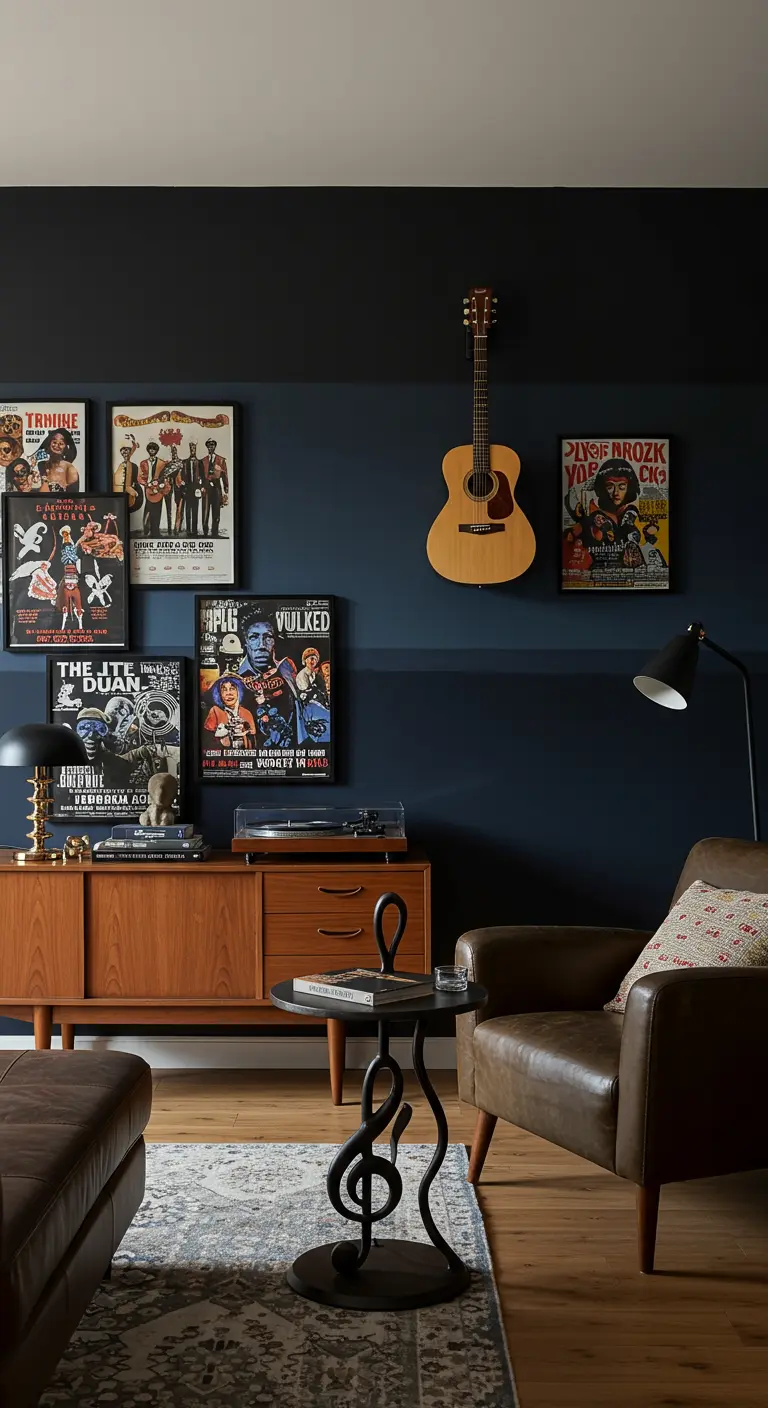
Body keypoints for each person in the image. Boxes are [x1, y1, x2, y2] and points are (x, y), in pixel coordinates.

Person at [204, 675, 256, 751]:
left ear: (239, 691)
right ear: (219, 694)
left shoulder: (246, 713)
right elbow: (207, 742)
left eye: (232, 689)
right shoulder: (215, 711)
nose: (228, 693)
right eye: (224, 690)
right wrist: (222, 740)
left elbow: (253, 742)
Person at [138, 440, 171, 537]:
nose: (152, 451)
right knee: (148, 509)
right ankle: (147, 531)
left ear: (156, 450)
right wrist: (146, 484)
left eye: (154, 449)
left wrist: (162, 485)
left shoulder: (161, 462)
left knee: (157, 509)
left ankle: (155, 532)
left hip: (159, 489)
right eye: (150, 449)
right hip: (148, 488)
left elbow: (165, 476)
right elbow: (139, 476)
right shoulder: (143, 463)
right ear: (148, 450)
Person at [201, 438, 229, 537]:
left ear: (215, 446)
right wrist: (201, 486)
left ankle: (215, 532)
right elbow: (200, 475)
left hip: (217, 487)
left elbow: (225, 474)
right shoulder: (203, 460)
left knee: (216, 510)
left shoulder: (221, 460)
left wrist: (226, 488)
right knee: (205, 510)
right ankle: (205, 532)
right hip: (206, 486)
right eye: (209, 445)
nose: (211, 447)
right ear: (207, 447)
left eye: (212, 445)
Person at [179, 440, 204, 537]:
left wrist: (201, 487)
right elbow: (181, 475)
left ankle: (194, 530)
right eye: (191, 448)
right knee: (187, 510)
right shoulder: (185, 462)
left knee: (195, 510)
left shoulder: (199, 462)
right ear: (189, 449)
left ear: (196, 449)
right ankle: (188, 530)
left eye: (194, 448)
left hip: (196, 489)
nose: (193, 450)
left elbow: (202, 476)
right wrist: (182, 484)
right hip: (187, 489)